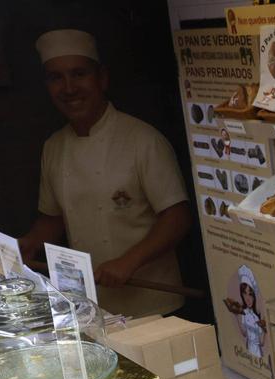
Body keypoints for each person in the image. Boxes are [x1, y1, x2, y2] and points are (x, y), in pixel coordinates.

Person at [20, 29, 191, 317]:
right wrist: (30, 243)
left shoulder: (143, 139)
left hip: (154, 303)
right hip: (91, 305)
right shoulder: (53, 146)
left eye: (79, 74)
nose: (69, 88)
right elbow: (53, 218)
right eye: (56, 77)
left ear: (102, 78)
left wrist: (129, 261)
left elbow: (177, 217)